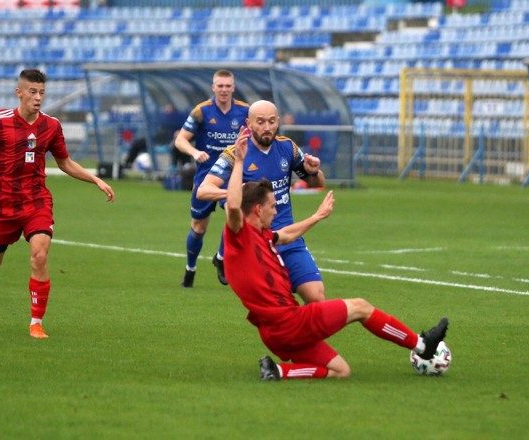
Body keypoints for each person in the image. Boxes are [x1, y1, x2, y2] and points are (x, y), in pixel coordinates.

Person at [222, 127, 449, 380]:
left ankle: (278, 371)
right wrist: (240, 161)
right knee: (361, 307)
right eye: (272, 206)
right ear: (256, 209)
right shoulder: (239, 236)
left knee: (340, 371)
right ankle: (422, 345)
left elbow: (285, 235)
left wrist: (317, 216)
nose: (276, 211)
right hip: (290, 322)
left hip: (274, 332)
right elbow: (233, 205)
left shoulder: (262, 233)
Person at [0, 69, 115, 339]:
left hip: (35, 201)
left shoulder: (51, 126)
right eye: (33, 92)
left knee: (40, 253)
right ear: (20, 93)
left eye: (42, 93)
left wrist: (95, 179)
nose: (38, 98)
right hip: (1, 206)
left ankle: (36, 322)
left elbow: (65, 163)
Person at [197, 100, 327, 303]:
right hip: (256, 244)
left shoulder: (288, 147)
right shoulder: (235, 154)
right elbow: (203, 190)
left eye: (272, 121)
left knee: (317, 298)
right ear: (249, 124)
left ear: (278, 122)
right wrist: (234, 193)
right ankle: (224, 255)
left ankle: (222, 256)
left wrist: (314, 171)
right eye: (260, 122)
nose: (267, 127)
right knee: (279, 306)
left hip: (287, 236)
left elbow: (317, 183)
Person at [174, 69, 249, 288]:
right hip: (206, 176)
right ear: (213, 87)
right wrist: (195, 153)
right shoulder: (202, 111)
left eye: (228, 86)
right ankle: (190, 269)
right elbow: (181, 140)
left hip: (232, 175)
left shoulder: (245, 111)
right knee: (198, 227)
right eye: (220, 86)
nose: (224, 90)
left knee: (235, 213)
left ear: (233, 88)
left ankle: (222, 258)